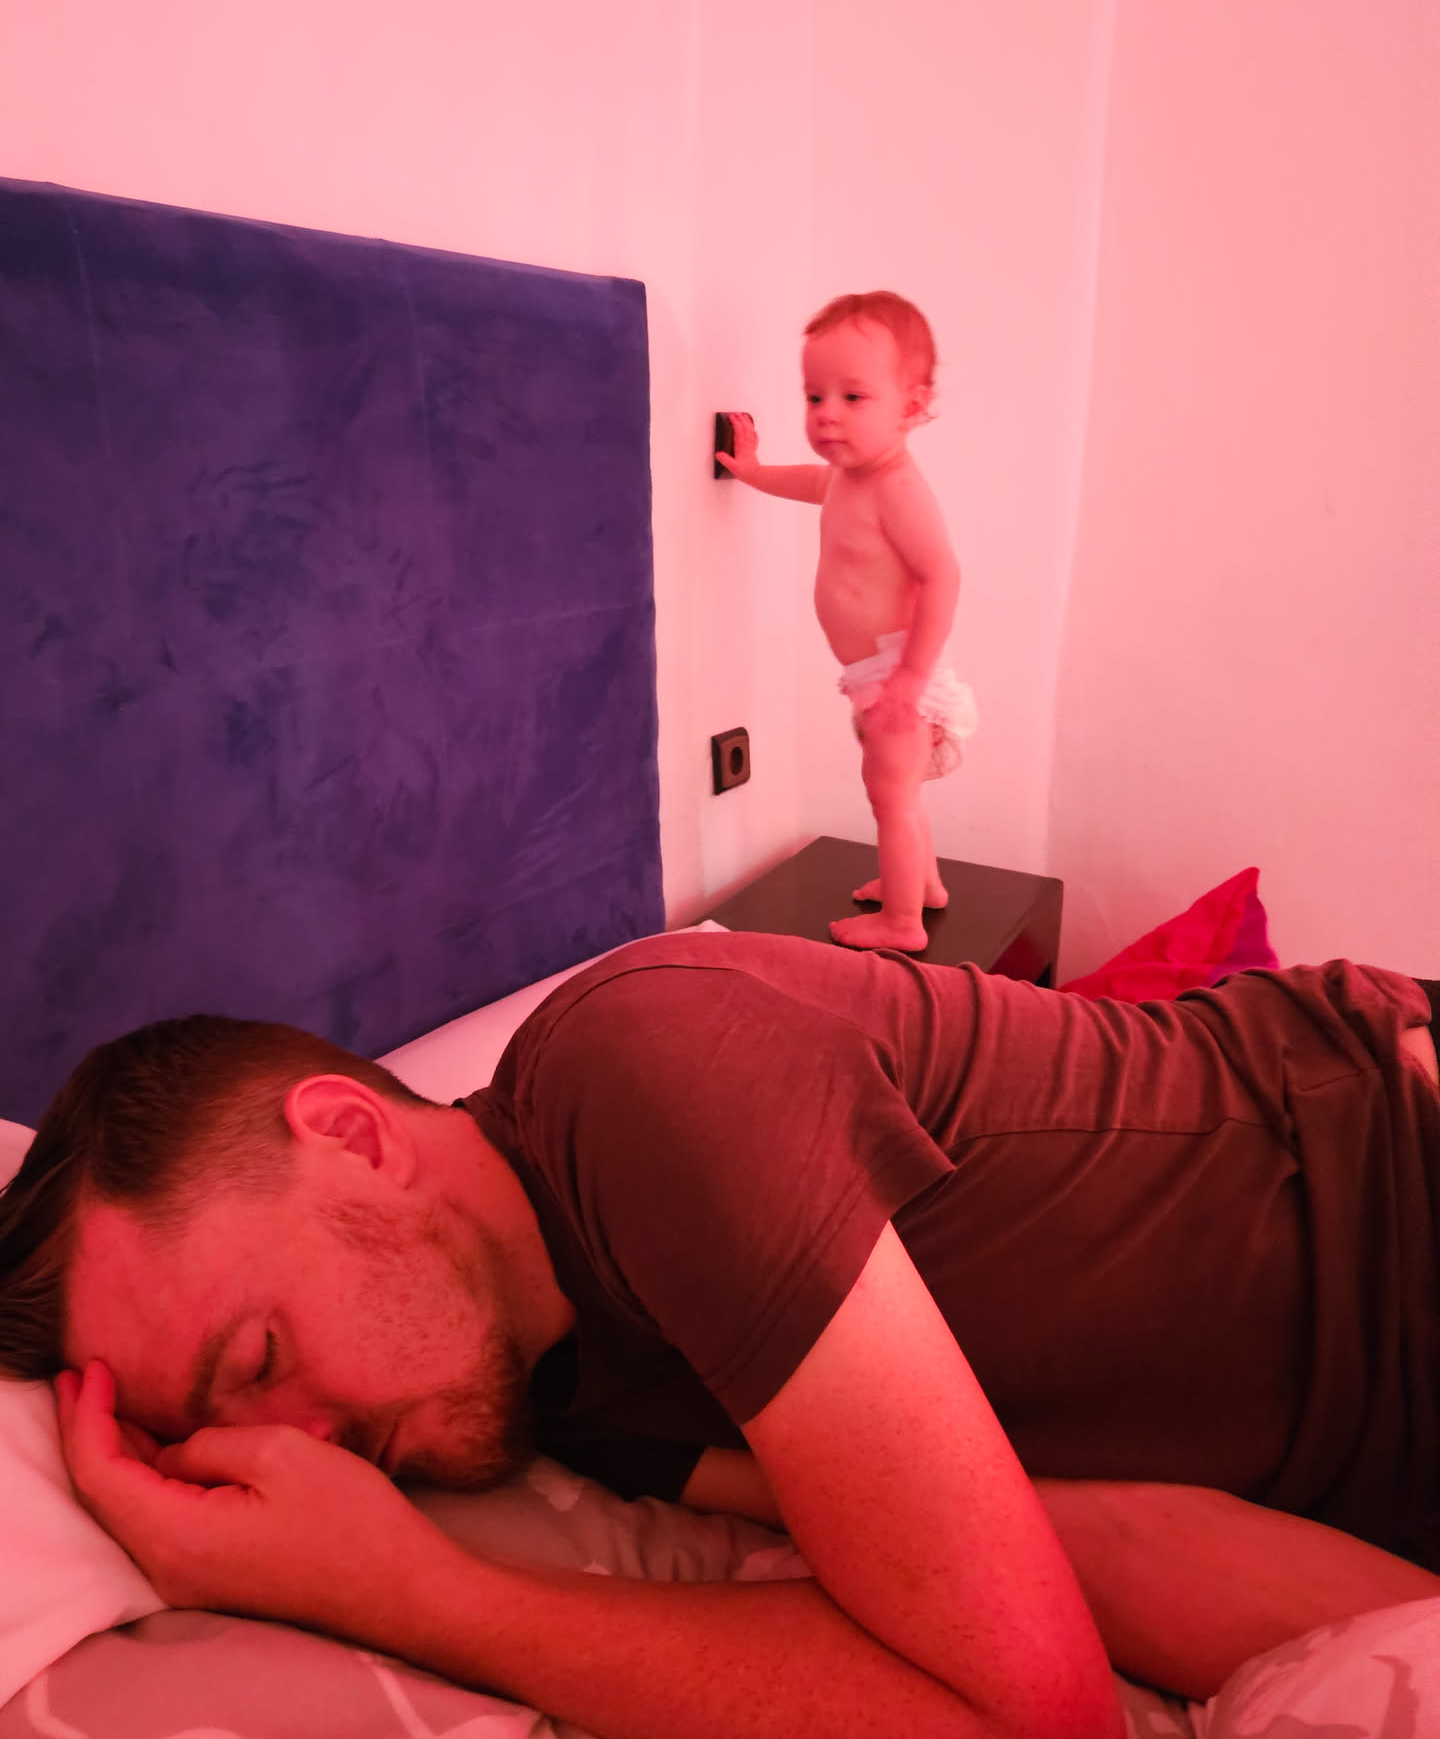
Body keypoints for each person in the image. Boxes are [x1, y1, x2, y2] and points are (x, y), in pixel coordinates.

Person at [3, 935, 1440, 1734]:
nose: (305, 1448)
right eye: (226, 1433)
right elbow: (1080, 1553)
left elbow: (1030, 1715)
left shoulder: (642, 1070)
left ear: (354, 1137)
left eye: (259, 1361)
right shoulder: (569, 1408)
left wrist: (406, 1592)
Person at [718, 291, 977, 951]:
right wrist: (752, 472)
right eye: (814, 396)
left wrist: (910, 678)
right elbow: (808, 482)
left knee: (890, 797)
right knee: (897, 792)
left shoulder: (898, 488)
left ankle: (903, 923)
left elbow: (942, 576)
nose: (827, 413)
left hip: (899, 672)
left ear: (911, 406)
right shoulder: (847, 477)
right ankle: (922, 885)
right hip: (875, 672)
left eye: (853, 397)